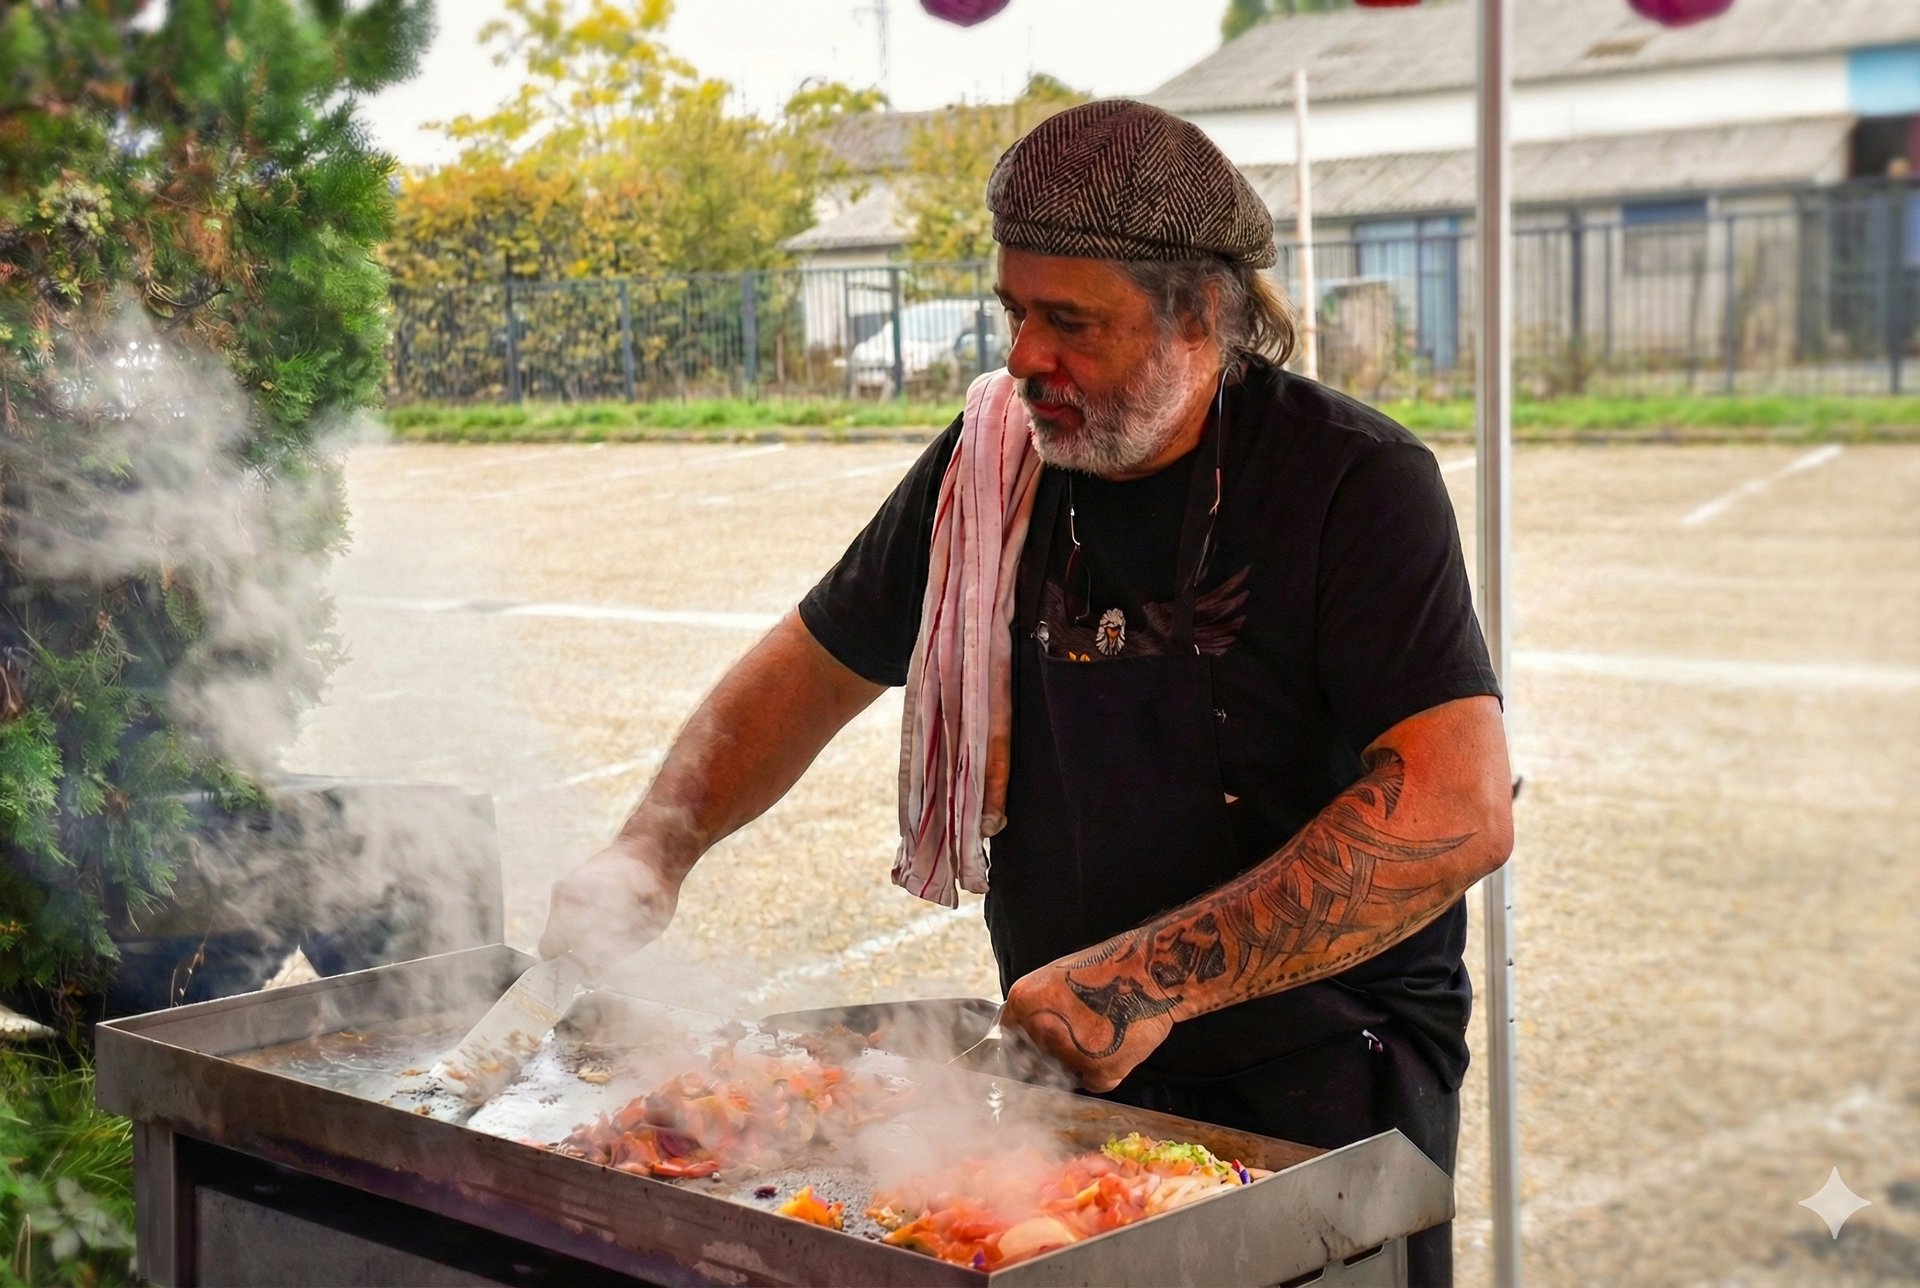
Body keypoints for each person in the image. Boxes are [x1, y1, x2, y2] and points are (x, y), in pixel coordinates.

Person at [541, 99, 1512, 1285]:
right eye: (1014, 311)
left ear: (1199, 313)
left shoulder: (1353, 484)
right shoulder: (989, 461)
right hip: (1068, 1064)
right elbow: (809, 666)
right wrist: (651, 850)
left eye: (1072, 322)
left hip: (1322, 1069)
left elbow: (1457, 803)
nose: (1024, 359)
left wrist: (1148, 977)